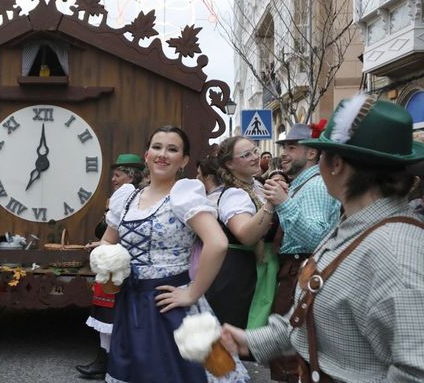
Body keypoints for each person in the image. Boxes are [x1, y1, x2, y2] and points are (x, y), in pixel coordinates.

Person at [222, 94, 424, 383]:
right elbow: (316, 318)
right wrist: (250, 342)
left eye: (323, 154)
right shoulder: (354, 226)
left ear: (336, 164)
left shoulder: (396, 250)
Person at [100, 125, 248, 382]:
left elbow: (217, 243)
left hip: (172, 306)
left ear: (184, 160)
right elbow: (107, 241)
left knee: (185, 374)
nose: (163, 154)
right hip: (131, 305)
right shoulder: (125, 199)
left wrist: (192, 292)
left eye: (172, 149)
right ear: (146, 155)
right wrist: (111, 265)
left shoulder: (183, 195)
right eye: (157, 147)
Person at [262, 123, 341, 381]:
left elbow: (316, 238)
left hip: (301, 271)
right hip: (295, 270)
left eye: (292, 147)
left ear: (311, 154)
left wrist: (284, 204)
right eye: (284, 147)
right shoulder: (302, 184)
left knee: (293, 353)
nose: (284, 153)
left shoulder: (316, 185)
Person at [76, 153, 144, 379]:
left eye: (118, 175)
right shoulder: (133, 194)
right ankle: (106, 359)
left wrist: (104, 239)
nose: (113, 179)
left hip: (120, 264)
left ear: (130, 175)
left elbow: (109, 228)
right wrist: (102, 242)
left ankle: (107, 361)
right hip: (119, 259)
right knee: (111, 314)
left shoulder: (125, 194)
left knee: (110, 313)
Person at [206, 137, 280, 331]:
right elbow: (246, 235)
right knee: (238, 337)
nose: (255, 157)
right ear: (230, 164)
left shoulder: (256, 186)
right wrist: (271, 204)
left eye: (254, 151)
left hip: (259, 269)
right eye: (246, 155)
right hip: (240, 276)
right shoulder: (234, 195)